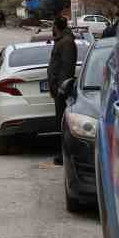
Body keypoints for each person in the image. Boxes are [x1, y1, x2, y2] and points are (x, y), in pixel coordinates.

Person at [47, 15, 77, 166]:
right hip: (58, 89)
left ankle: (64, 154)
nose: (52, 29)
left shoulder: (67, 43)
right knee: (59, 123)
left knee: (63, 124)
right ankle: (62, 153)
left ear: (57, 26)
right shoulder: (62, 41)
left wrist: (61, 88)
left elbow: (67, 67)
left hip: (62, 90)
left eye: (53, 25)